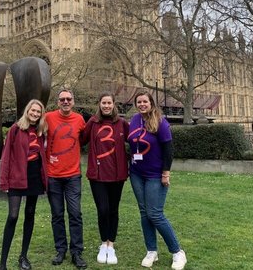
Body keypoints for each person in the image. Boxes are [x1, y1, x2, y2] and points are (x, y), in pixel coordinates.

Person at [127, 89, 187, 270]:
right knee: (144, 212)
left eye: (145, 101)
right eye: (139, 102)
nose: (142, 104)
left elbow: (168, 150)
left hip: (155, 175)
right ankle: (151, 250)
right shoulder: (135, 120)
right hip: (136, 173)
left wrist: (166, 173)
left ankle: (177, 252)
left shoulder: (160, 122)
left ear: (151, 103)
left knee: (155, 213)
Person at [0, 99, 48, 270]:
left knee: (30, 213)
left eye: (38, 112)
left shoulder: (41, 132)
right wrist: (4, 181)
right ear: (27, 111)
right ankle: (2, 263)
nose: (35, 114)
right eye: (32, 110)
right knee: (13, 216)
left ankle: (23, 257)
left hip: (34, 176)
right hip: (17, 176)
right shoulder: (15, 129)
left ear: (41, 115)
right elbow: (6, 157)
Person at [80, 92, 129, 265]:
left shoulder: (122, 123)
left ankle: (111, 245)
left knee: (113, 210)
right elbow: (80, 140)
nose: (106, 106)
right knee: (102, 210)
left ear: (114, 104)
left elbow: (136, 140)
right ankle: (103, 243)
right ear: (99, 104)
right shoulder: (93, 123)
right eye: (103, 103)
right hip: (98, 175)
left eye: (109, 103)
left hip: (117, 176)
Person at [46, 88, 87, 269]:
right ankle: (60, 249)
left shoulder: (79, 119)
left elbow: (86, 140)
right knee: (57, 215)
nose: (65, 102)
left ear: (73, 101)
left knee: (75, 214)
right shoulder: (48, 118)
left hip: (72, 176)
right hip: (53, 175)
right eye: (62, 99)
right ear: (57, 102)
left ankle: (76, 252)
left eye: (68, 99)